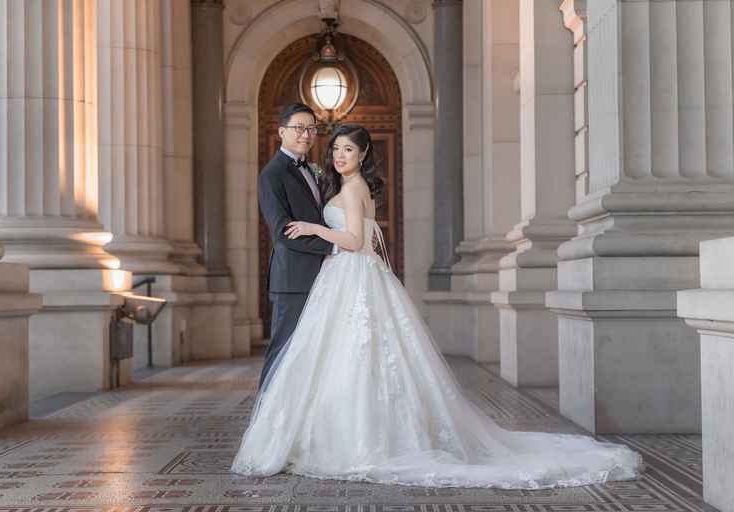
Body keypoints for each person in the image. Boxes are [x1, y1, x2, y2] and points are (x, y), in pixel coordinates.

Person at [233, 124, 643, 489]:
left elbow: (356, 241)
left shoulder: (355, 189)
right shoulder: (344, 187)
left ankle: (360, 438)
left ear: (363, 157)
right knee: (346, 357)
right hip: (344, 278)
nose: (340, 156)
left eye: (349, 151)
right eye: (337, 148)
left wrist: (314, 227)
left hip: (351, 274)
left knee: (358, 356)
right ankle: (337, 431)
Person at [257, 102, 334, 389]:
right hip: (293, 280)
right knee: (283, 350)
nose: (306, 134)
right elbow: (282, 232)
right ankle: (265, 417)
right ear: (282, 132)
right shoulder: (272, 174)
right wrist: (332, 247)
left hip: (323, 277)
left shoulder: (312, 170)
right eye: (299, 128)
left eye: (311, 128)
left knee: (312, 352)